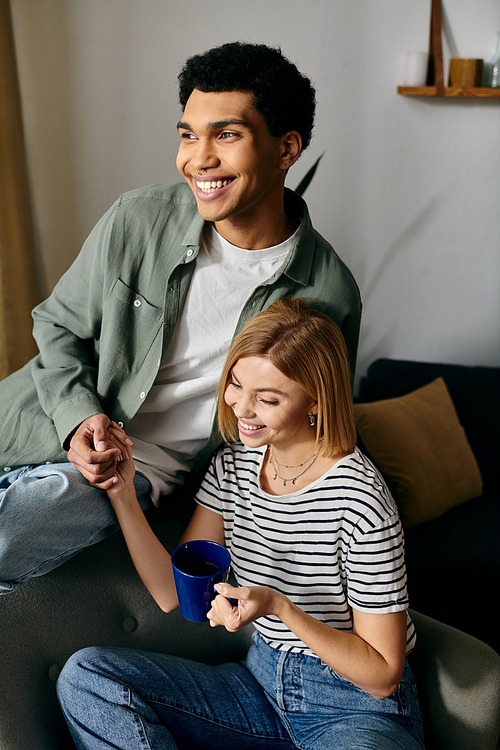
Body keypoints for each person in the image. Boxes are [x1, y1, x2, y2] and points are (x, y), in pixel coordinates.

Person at [0, 42, 361, 594]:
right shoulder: (138, 218)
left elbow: (311, 430)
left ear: (287, 149)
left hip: (135, 471)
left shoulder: (326, 293)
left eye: (228, 134)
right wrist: (79, 420)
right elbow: (58, 323)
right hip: (38, 417)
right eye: (188, 134)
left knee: (14, 529)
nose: (199, 159)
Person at [56, 298, 425, 750]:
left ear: (315, 401)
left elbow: (384, 674)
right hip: (261, 688)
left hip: (355, 709)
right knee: (88, 678)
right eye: (235, 383)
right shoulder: (233, 468)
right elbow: (172, 592)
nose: (240, 408)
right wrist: (122, 491)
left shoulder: (360, 497)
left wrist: (280, 606)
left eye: (267, 399)